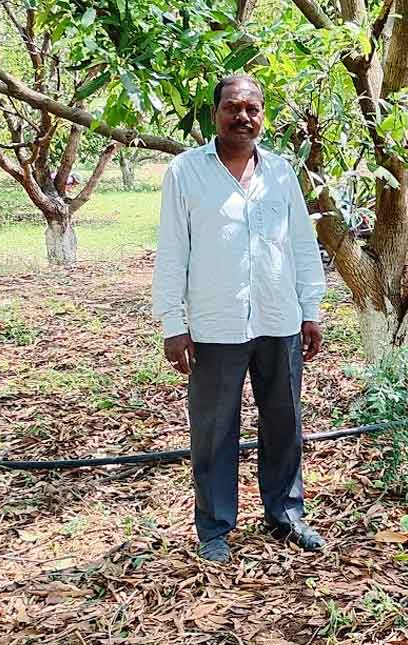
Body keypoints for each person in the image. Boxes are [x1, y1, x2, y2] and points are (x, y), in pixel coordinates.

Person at [151, 74, 328, 562]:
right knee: (213, 429)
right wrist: (173, 323)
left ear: (263, 114)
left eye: (252, 108)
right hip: (214, 325)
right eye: (233, 107)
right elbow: (172, 252)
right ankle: (214, 529)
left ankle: (286, 514)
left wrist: (310, 311)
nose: (243, 116)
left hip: (279, 320)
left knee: (284, 422)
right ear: (215, 114)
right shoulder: (186, 173)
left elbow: (300, 246)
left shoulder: (281, 173)